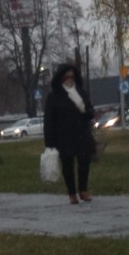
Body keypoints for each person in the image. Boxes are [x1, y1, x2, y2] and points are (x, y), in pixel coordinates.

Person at [44, 64, 96, 205]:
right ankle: (72, 193)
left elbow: (91, 112)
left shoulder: (81, 92)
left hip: (81, 134)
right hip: (64, 136)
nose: (69, 79)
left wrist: (85, 110)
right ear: (61, 78)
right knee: (68, 164)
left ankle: (83, 190)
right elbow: (49, 120)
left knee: (84, 162)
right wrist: (49, 143)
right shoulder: (54, 96)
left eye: (72, 76)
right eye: (66, 77)